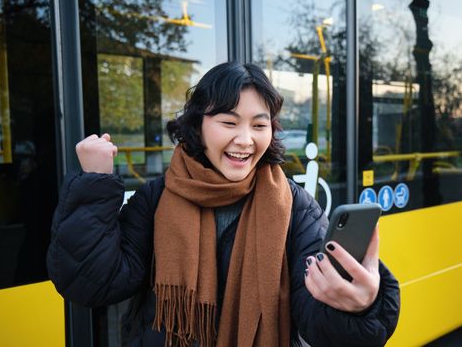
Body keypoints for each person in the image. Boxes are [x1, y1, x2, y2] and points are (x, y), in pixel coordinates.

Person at [47, 62, 400, 347]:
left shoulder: (295, 206)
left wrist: (359, 306)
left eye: (259, 125)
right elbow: (94, 284)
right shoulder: (157, 198)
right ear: (198, 126)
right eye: (229, 122)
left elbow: (317, 320)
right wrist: (95, 182)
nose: (245, 140)